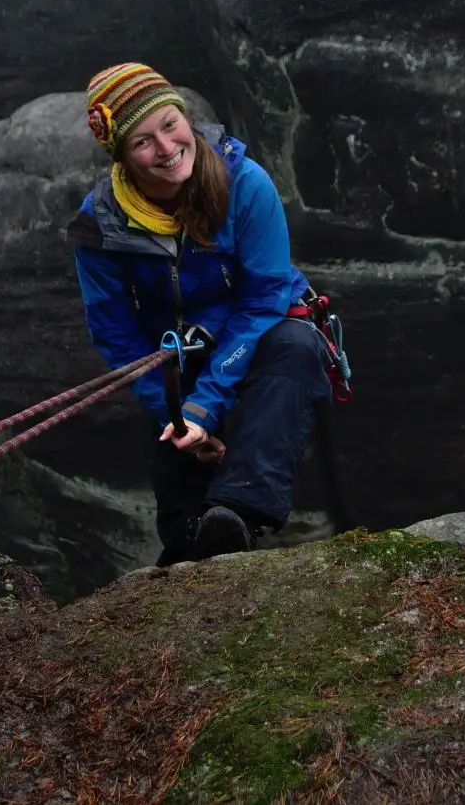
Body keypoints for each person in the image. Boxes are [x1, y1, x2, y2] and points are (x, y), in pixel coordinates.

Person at [66, 62, 329, 563]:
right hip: (173, 365)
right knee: (183, 530)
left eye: (170, 125)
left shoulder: (245, 185)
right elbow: (114, 330)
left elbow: (265, 297)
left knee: (296, 344)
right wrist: (179, 417)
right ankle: (192, 549)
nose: (166, 148)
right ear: (120, 155)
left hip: (260, 340)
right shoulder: (100, 225)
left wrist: (206, 403)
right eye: (143, 141)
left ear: (185, 118)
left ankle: (241, 512)